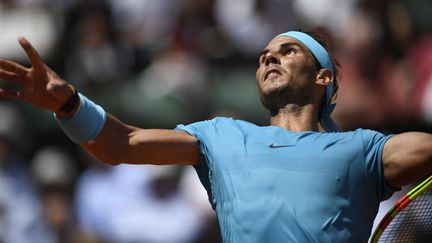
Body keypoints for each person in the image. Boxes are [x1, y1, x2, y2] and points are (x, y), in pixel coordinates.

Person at [1, 30, 432, 242]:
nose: (269, 58)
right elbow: (123, 145)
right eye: (264, 55)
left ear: (322, 76)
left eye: (287, 50)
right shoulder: (221, 136)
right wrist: (69, 104)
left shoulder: (363, 149)